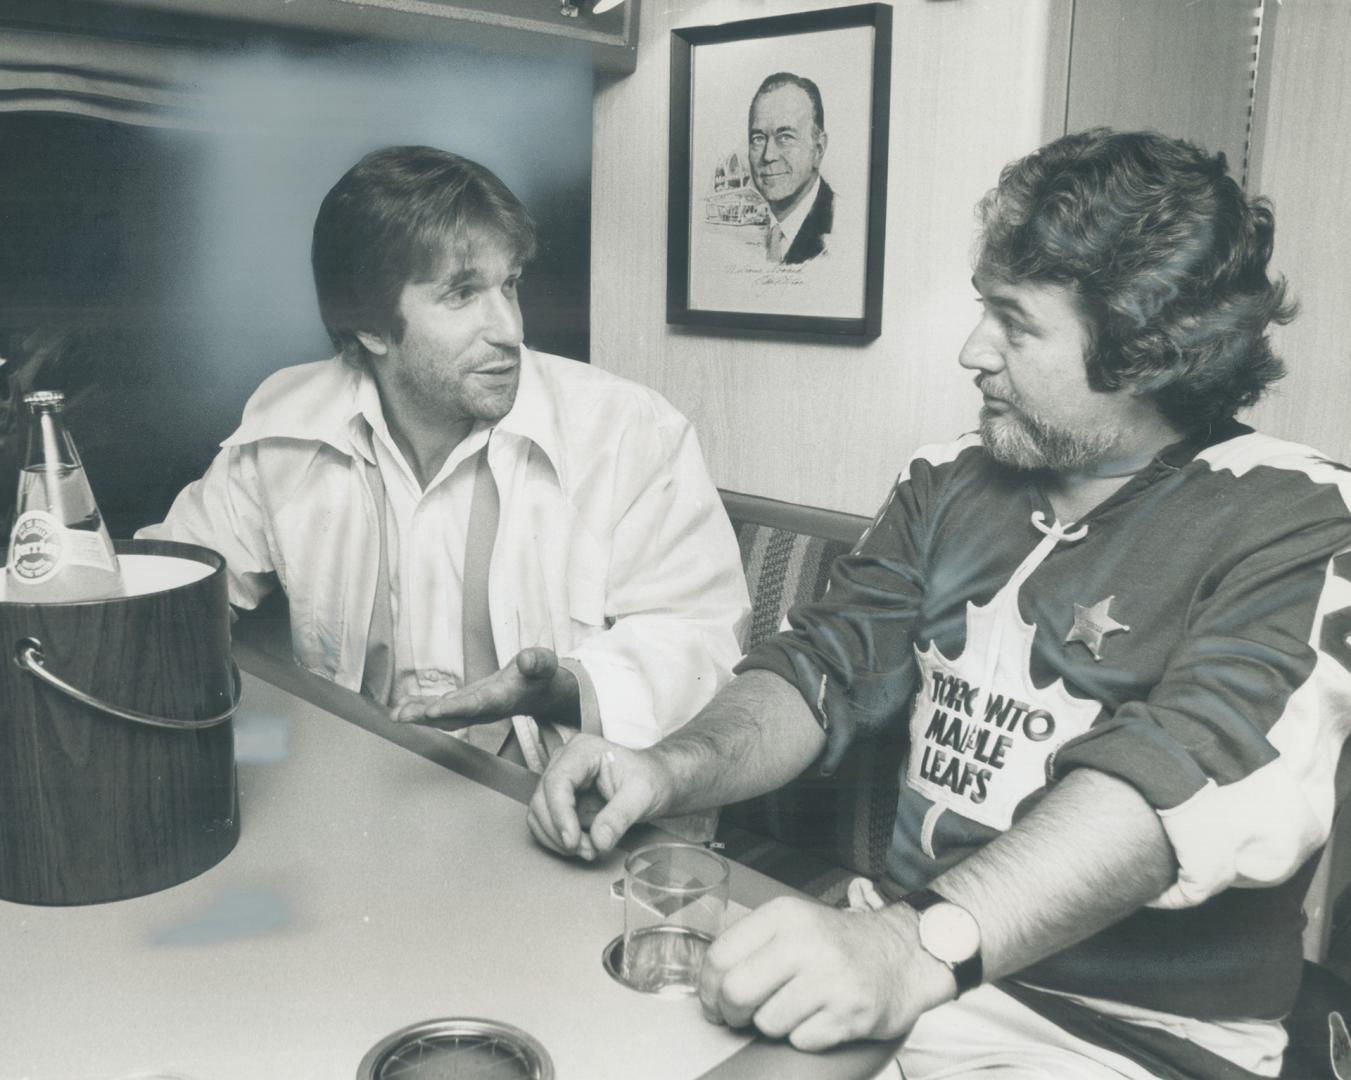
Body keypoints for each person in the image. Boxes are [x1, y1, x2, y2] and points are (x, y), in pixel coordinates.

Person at [529, 128, 1351, 1079]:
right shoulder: (946, 480)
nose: (973, 351)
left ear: (1144, 348)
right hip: (912, 974)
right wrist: (667, 767)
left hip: (1122, 1035)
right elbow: (820, 671)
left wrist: (912, 948)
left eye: (1015, 322)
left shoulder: (1302, 516)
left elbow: (1178, 776)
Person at [140, 145, 749, 770]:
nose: (509, 328)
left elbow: (704, 643)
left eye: (508, 285)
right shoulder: (286, 428)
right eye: (461, 294)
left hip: (549, 803)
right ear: (370, 327)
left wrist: (565, 689)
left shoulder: (629, 431)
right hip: (359, 794)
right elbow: (162, 592)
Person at [748, 73, 833, 264]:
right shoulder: (746, 237)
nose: (768, 155)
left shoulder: (843, 232)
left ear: (818, 149)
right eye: (758, 138)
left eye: (785, 137)